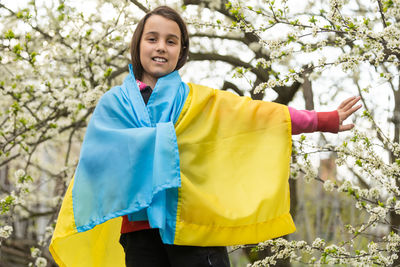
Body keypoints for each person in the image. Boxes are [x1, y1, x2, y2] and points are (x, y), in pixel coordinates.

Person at [49, 6, 361, 267]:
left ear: (181, 52)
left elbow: (258, 116)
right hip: (139, 234)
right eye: (152, 38)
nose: (161, 47)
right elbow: (99, 162)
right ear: (138, 45)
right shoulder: (114, 105)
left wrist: (324, 119)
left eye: (171, 41)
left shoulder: (198, 102)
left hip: (195, 228)